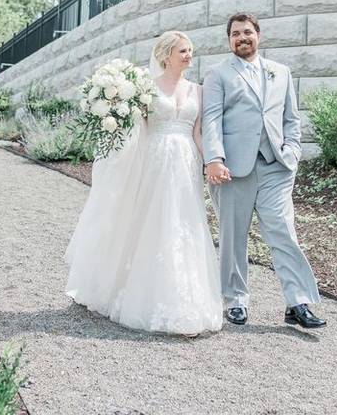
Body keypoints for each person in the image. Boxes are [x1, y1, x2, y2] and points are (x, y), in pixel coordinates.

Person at [65, 31, 222, 335]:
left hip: (185, 162)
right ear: (166, 55)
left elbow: (199, 132)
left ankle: (186, 299)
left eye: (190, 50)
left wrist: (211, 162)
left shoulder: (197, 91)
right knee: (153, 222)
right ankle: (139, 292)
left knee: (184, 223)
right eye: (183, 51)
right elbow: (135, 131)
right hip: (155, 162)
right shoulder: (146, 89)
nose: (189, 56)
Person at [202, 13, 326, 329]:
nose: (241, 38)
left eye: (247, 32)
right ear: (228, 40)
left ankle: (297, 302)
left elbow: (291, 119)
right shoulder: (218, 74)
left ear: (258, 35)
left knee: (283, 232)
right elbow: (212, 119)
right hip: (232, 168)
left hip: (275, 167)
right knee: (233, 237)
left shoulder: (280, 72)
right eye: (235, 34)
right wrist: (213, 159)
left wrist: (292, 153)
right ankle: (235, 301)